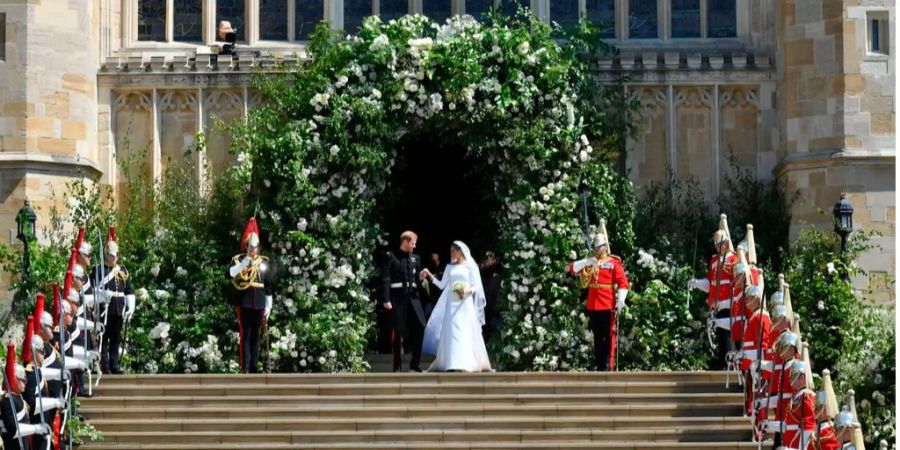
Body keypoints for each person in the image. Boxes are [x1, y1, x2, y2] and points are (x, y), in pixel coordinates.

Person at [567, 220, 629, 372]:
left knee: (607, 336)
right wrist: (586, 261)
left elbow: (623, 282)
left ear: (605, 246)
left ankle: (607, 363)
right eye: (595, 247)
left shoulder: (614, 262)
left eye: (599, 246)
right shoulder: (591, 262)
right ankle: (598, 363)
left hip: (607, 303)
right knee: (597, 336)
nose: (597, 250)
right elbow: (572, 269)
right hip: (593, 304)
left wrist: (621, 298)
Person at [421, 241, 492, 372]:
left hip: (465, 302)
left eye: (453, 251)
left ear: (460, 251)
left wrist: (466, 291)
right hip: (451, 303)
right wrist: (430, 275)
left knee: (465, 330)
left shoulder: (470, 266)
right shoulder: (449, 267)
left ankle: (466, 362)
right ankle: (452, 362)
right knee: (452, 330)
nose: (451, 254)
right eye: (451, 251)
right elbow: (442, 285)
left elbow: (477, 285)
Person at [689, 214, 738, 370]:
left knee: (728, 335)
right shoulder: (714, 260)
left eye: (720, 244)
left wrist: (726, 301)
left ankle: (729, 365)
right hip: (716, 304)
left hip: (729, 303)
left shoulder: (733, 259)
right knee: (720, 335)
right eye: (716, 245)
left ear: (726, 243)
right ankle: (723, 363)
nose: (718, 248)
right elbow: (711, 283)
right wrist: (696, 283)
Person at [229, 217, 273, 374]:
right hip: (245, 301)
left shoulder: (263, 263)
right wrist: (244, 262)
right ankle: (245, 366)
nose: (254, 249)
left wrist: (268, 307)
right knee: (245, 334)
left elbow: (268, 287)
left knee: (256, 336)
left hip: (259, 303)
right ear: (246, 246)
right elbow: (231, 274)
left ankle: (254, 365)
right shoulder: (239, 260)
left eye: (256, 247)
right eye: (251, 247)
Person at [91, 227, 135, 374]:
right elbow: (91, 290)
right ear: (106, 255)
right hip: (105, 308)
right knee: (104, 337)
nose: (113, 258)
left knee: (116, 338)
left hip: (119, 308)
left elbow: (128, 290)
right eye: (111, 255)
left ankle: (115, 365)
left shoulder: (122, 270)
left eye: (115, 255)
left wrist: (130, 306)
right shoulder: (98, 270)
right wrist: (102, 294)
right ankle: (105, 365)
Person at [381, 231, 426, 372]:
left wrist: (422, 277)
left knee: (421, 326)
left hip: (413, 297)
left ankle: (415, 365)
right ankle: (397, 367)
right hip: (397, 297)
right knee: (397, 330)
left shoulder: (416, 258)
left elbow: (417, 280)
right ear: (405, 242)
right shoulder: (391, 256)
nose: (415, 245)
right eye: (413, 242)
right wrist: (386, 298)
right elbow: (386, 278)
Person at [1, 344, 51, 450]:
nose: (25, 382)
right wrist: (35, 428)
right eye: (22, 380)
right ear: (14, 380)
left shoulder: (19, 398)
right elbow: (13, 428)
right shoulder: (7, 401)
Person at [815, 369, 842, 450]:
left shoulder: (827, 430)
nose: (815, 410)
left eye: (818, 407)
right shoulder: (823, 427)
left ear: (825, 409)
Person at [479, 251, 502, 342]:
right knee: (485, 316)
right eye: (488, 258)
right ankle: (484, 335)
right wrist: (485, 265)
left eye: (491, 258)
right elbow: (481, 269)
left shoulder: (497, 266)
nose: (490, 259)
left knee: (488, 315)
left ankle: (486, 335)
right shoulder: (484, 267)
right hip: (484, 293)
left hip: (492, 294)